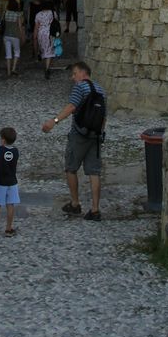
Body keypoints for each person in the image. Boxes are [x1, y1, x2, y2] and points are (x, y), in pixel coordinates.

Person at [41, 60, 106, 221]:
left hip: (79, 134)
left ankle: (75, 203)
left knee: (71, 167)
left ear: (83, 73)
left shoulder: (80, 87)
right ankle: (95, 210)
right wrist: (100, 133)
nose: (73, 77)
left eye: (75, 73)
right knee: (94, 172)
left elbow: (71, 107)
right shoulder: (101, 90)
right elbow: (104, 116)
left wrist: (54, 121)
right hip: (95, 135)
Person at [33, 0, 56, 80]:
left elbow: (36, 27)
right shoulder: (53, 13)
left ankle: (46, 66)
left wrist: (34, 36)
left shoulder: (38, 15)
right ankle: (47, 68)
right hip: (50, 33)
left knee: (43, 50)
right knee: (50, 50)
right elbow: (56, 23)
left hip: (41, 33)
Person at [1, 0, 24, 77]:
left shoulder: (5, 13)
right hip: (15, 35)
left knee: (8, 54)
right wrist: (22, 36)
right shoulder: (18, 14)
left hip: (6, 35)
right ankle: (13, 68)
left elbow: (2, 22)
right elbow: (20, 27)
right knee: (17, 52)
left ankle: (8, 71)